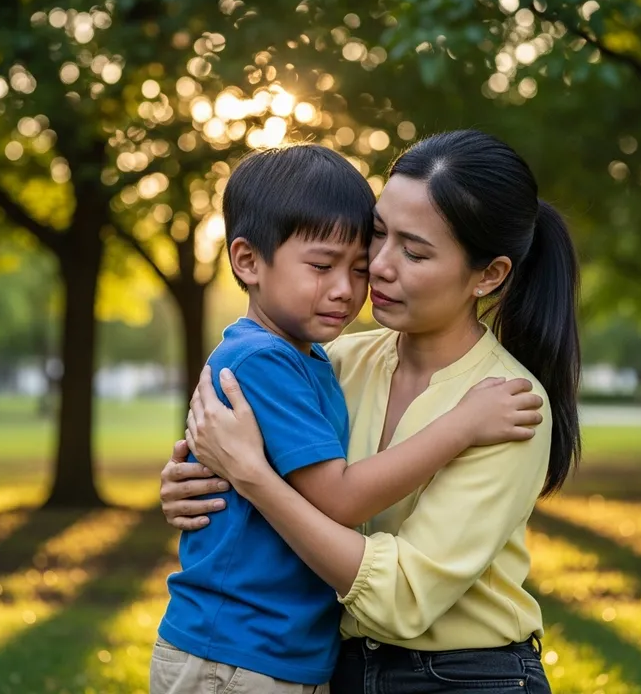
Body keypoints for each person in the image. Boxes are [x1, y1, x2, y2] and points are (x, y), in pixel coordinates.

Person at [151, 142, 544, 694]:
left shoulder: (507, 403)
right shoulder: (331, 361)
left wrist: (253, 480)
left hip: (462, 676)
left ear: (488, 274)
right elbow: (247, 454)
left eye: (414, 251)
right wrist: (192, 481)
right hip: (309, 662)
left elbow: (401, 598)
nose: (376, 268)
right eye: (379, 235)